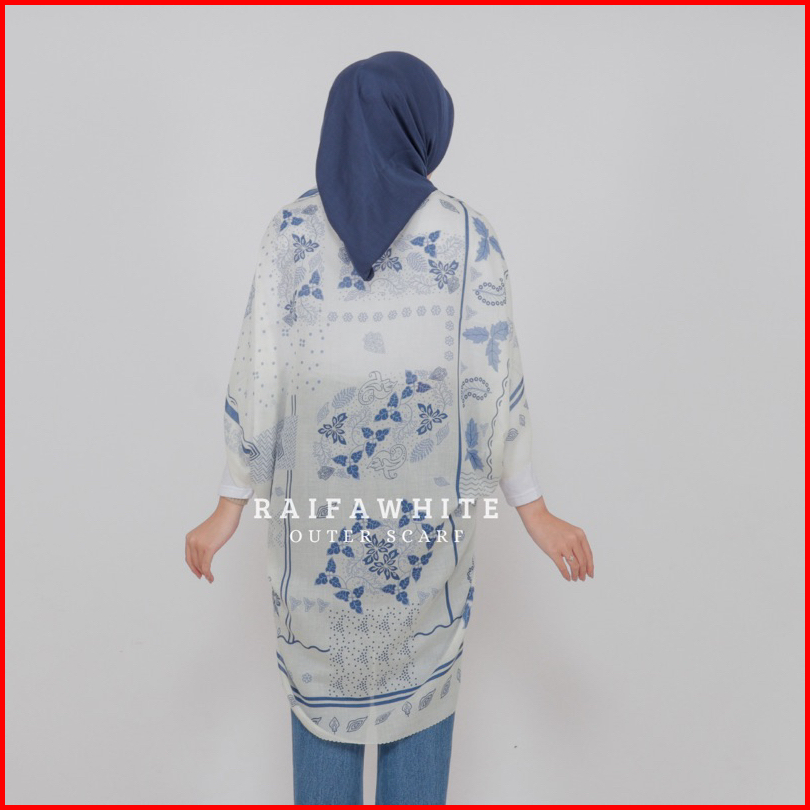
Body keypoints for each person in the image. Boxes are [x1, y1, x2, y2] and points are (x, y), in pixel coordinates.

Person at [185, 50, 594, 806]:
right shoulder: (468, 237)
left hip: (317, 555)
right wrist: (532, 506)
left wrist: (228, 502)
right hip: (425, 552)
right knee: (419, 726)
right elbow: (494, 381)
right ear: (421, 125)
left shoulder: (290, 235)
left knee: (324, 723)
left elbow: (260, 375)